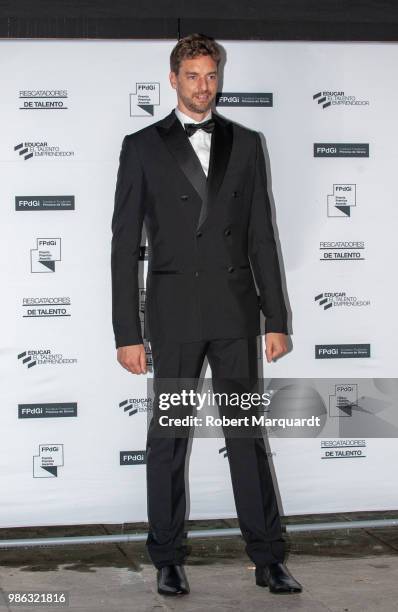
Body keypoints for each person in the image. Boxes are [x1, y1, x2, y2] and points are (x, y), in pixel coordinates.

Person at [111, 33, 302, 596]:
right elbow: (124, 246)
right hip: (171, 315)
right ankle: (167, 557)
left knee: (246, 434)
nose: (203, 85)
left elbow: (263, 237)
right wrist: (128, 331)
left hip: (235, 312)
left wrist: (276, 317)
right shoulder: (142, 145)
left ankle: (268, 556)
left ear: (219, 77)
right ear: (173, 79)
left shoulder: (247, 142)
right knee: (168, 437)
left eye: (211, 74)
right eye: (192, 75)